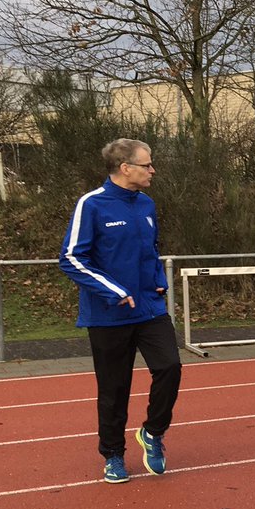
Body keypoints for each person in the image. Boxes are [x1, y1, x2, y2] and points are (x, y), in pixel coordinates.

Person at [59, 138, 181, 484]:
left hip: (149, 309)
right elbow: (70, 258)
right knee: (114, 388)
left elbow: (152, 249)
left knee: (170, 366)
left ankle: (153, 433)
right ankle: (113, 454)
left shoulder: (146, 204)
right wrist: (114, 291)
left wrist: (159, 280)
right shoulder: (92, 205)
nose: (153, 170)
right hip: (108, 314)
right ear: (125, 168)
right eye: (147, 164)